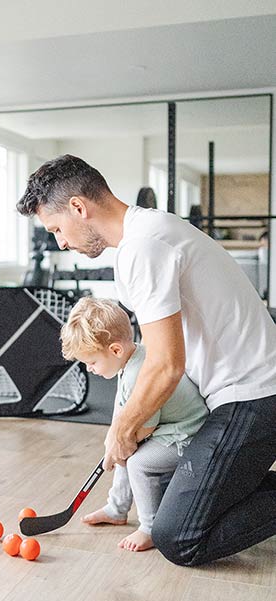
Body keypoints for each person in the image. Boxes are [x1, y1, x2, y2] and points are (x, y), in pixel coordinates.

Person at [16, 154, 276, 566]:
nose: (61, 242)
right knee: (171, 483)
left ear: (79, 208)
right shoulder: (148, 232)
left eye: (57, 229)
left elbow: (166, 364)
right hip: (235, 397)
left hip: (254, 398)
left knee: (179, 539)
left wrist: (123, 428)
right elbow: (156, 354)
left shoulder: (144, 247)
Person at [61, 296, 208, 552]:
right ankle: (117, 508)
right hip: (169, 428)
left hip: (188, 433)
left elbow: (145, 428)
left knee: (137, 461)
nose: (90, 369)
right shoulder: (130, 359)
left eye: (92, 362)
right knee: (122, 449)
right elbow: (123, 414)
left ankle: (149, 527)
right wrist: (114, 446)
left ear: (115, 350)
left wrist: (120, 450)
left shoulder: (138, 372)